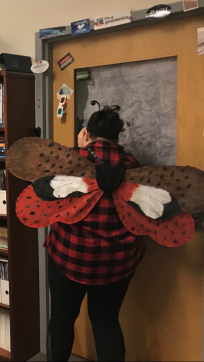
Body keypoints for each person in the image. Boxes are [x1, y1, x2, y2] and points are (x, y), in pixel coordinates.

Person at [46, 105, 145, 361]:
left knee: (61, 318)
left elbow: (49, 197)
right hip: (117, 261)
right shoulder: (133, 165)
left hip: (69, 254)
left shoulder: (71, 159)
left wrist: (81, 148)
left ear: (86, 134)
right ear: (117, 137)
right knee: (106, 322)